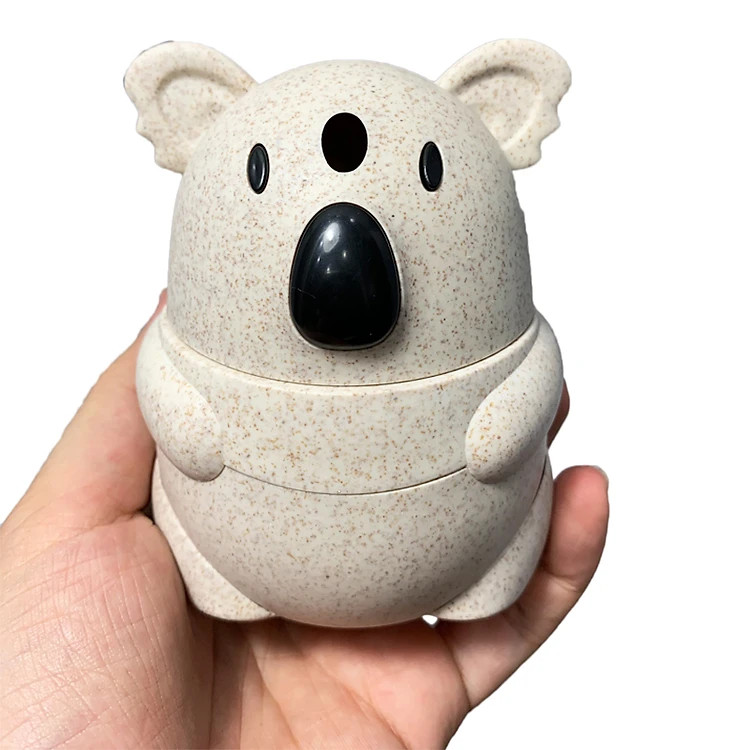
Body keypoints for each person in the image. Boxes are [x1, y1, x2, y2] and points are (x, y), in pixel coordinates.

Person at [0, 291, 609, 749]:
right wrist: (184, 419)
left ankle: (487, 582)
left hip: (475, 554)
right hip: (227, 561)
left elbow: (536, 361)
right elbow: (162, 368)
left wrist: (508, 418)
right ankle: (222, 583)